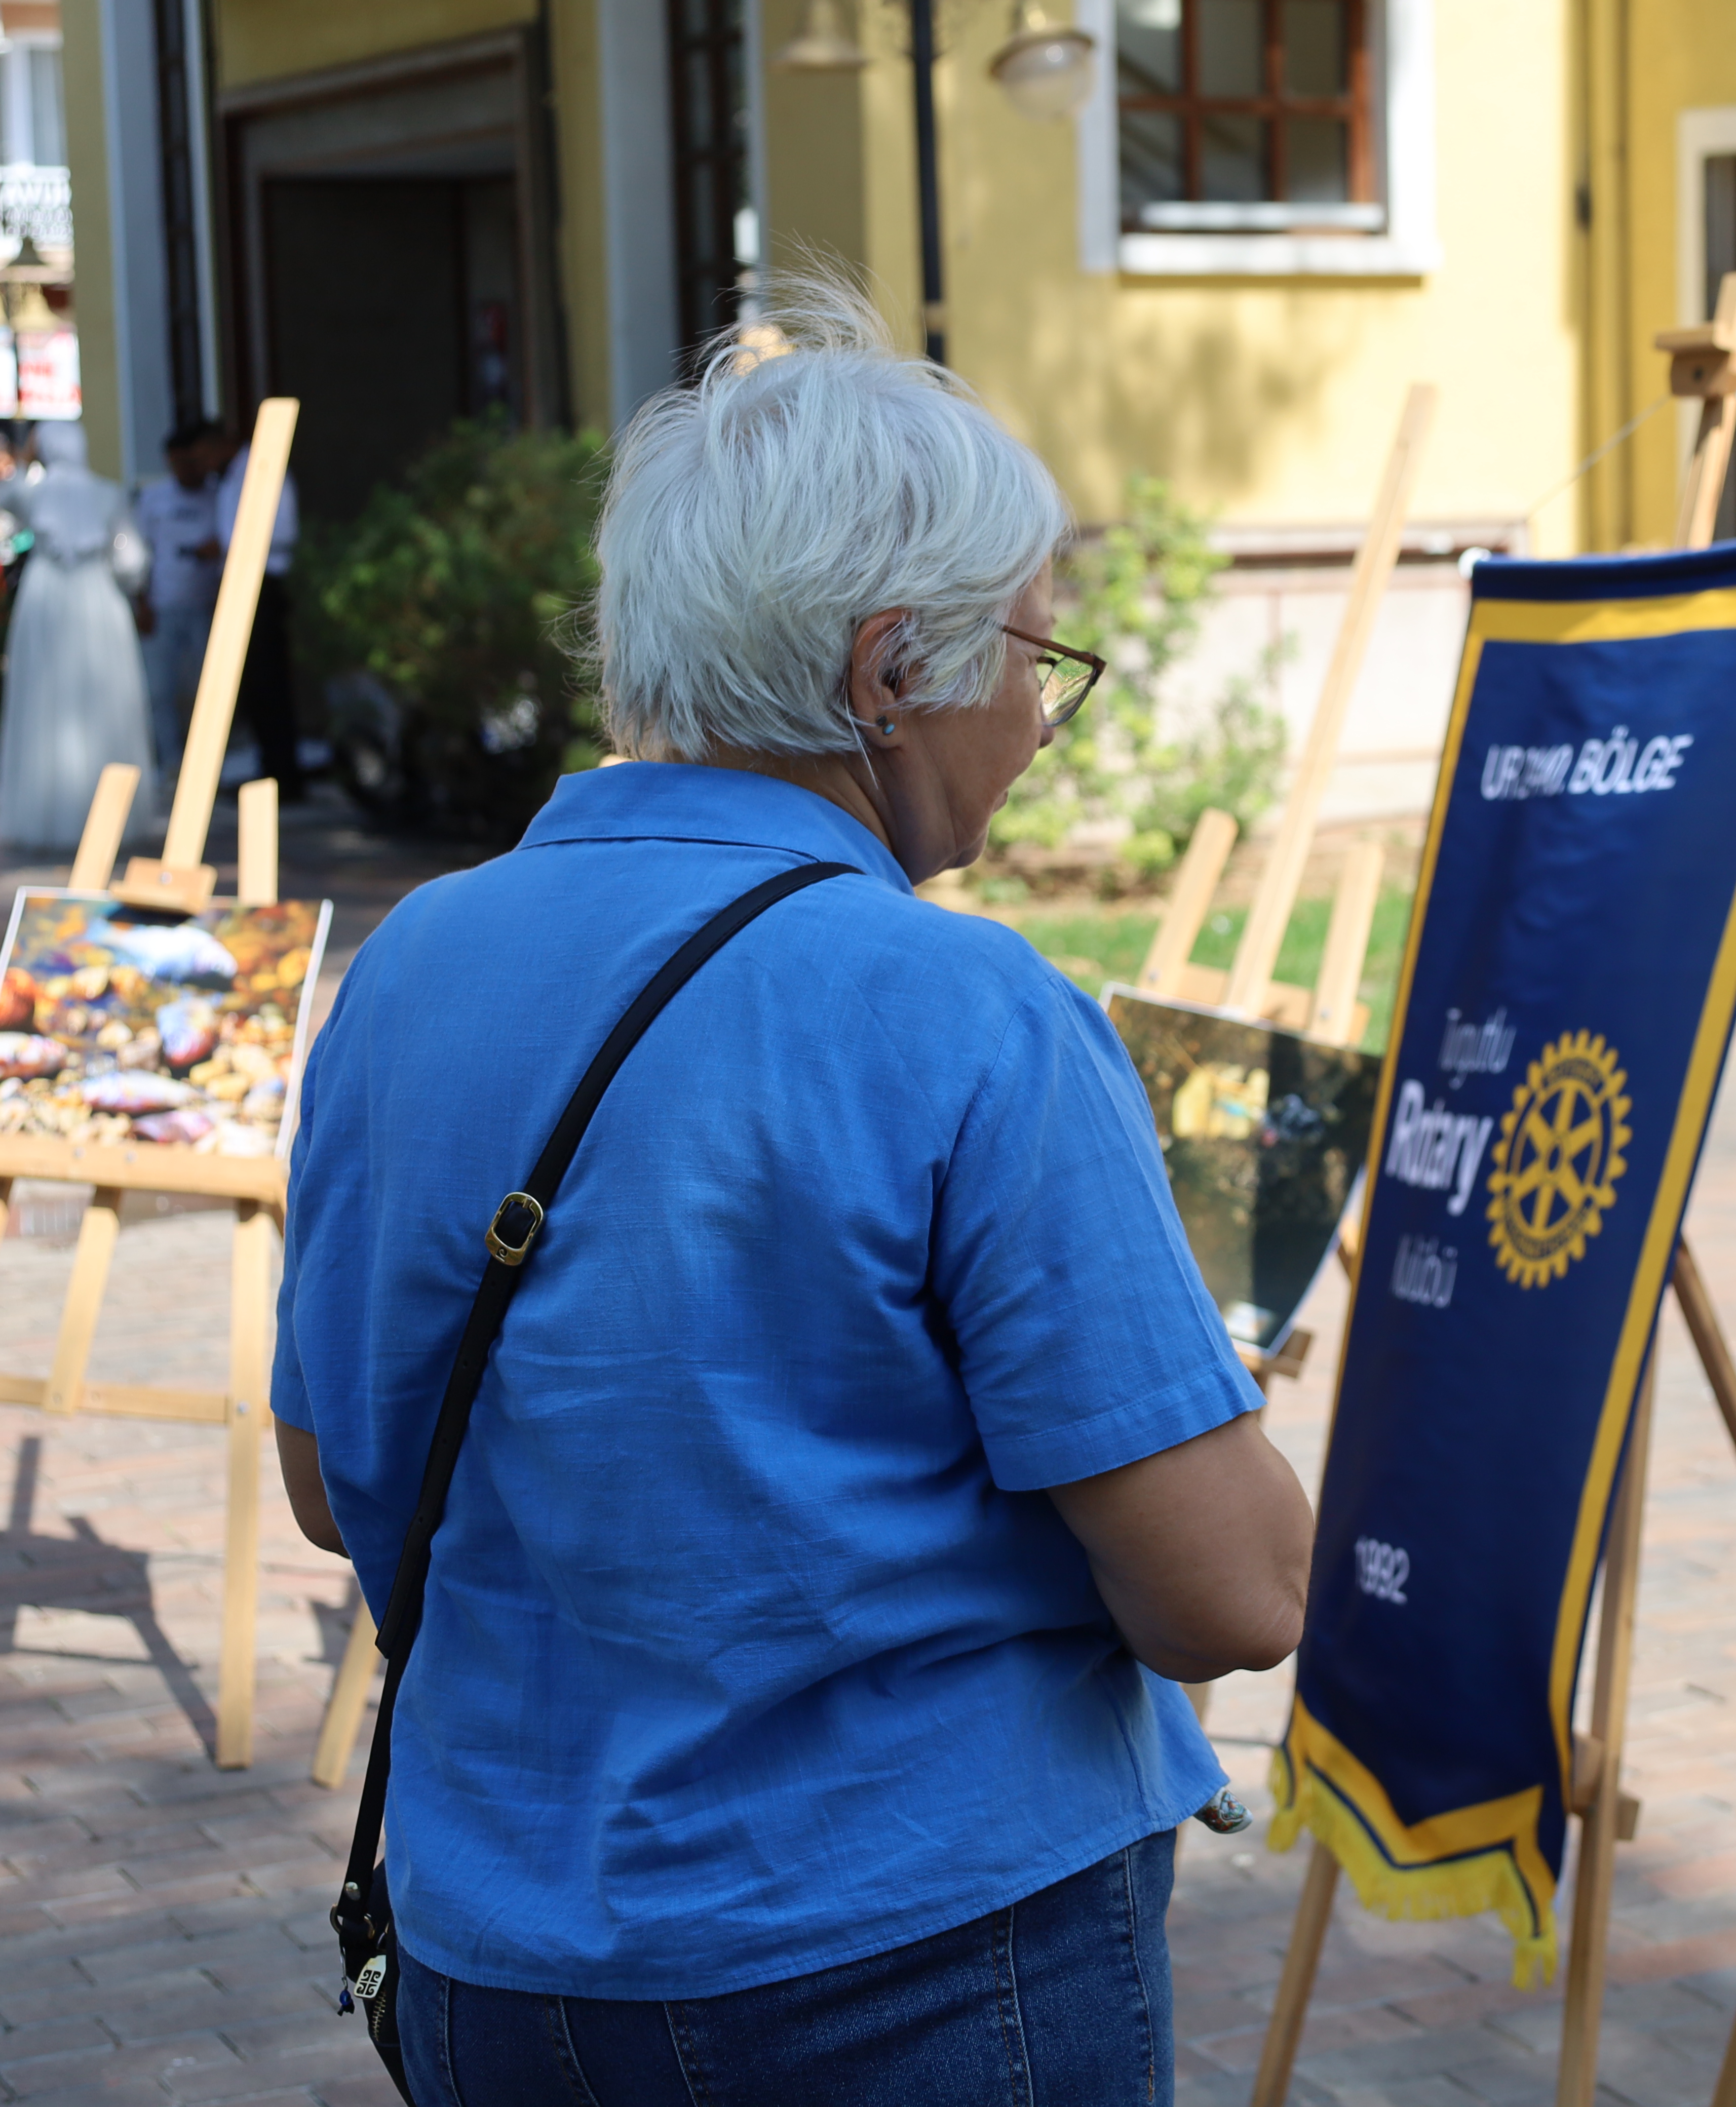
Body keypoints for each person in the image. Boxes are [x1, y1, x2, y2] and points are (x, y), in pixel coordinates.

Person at [272, 277, 1312, 2103]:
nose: (1040, 716)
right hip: (922, 1958)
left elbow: (323, 1470)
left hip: (500, 1962)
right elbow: (1227, 1598)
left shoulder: (415, 966)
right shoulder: (964, 1006)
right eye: (1030, 657)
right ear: (882, 672)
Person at [0, 421, 158, 851]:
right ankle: (111, 815)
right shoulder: (108, 494)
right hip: (98, 601)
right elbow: (130, 562)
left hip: (45, 599)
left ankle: (45, 811)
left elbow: (6, 522)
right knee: (102, 701)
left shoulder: (27, 491)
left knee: (43, 700)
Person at [133, 417, 226, 776]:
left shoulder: (221, 494)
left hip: (207, 606)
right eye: (176, 463)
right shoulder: (153, 498)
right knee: (161, 692)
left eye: (190, 462)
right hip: (163, 607)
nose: (184, 470)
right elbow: (138, 553)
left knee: (212, 690)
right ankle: (171, 764)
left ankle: (210, 764)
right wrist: (142, 603)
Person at [215, 410, 301, 792]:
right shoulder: (236, 472)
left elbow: (282, 530)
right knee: (256, 686)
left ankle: (283, 773)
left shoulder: (263, 468)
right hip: (245, 581)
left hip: (263, 580)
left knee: (269, 683)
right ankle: (272, 770)